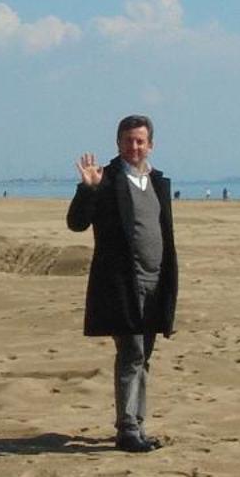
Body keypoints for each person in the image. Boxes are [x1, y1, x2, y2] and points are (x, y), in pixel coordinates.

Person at [68, 115, 179, 452]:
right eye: (128, 141)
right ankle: (127, 429)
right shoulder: (106, 179)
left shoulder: (157, 182)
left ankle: (138, 425)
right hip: (121, 284)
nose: (134, 147)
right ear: (118, 143)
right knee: (130, 352)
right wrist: (88, 189)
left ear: (150, 145)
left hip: (155, 282)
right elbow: (76, 223)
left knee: (143, 355)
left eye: (140, 141)